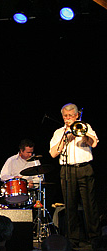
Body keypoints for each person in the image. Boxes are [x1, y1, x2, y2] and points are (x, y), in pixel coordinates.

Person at [49, 103, 99, 246]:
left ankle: (94, 237)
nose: (67, 118)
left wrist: (82, 134)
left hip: (85, 168)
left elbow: (94, 143)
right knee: (70, 205)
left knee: (90, 204)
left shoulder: (85, 127)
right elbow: (53, 153)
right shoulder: (59, 132)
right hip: (67, 169)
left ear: (77, 116)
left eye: (70, 116)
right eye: (65, 116)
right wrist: (66, 138)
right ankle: (73, 239)